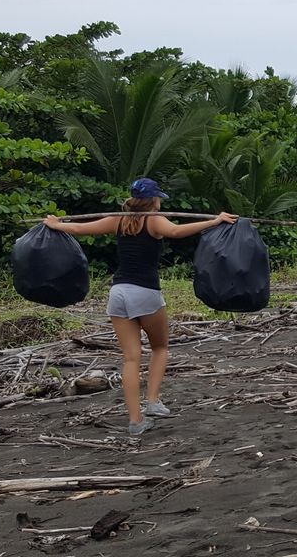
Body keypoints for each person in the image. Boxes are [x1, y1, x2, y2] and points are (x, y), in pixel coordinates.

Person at [43, 179, 236, 436]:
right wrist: (215, 221)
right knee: (160, 347)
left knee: (131, 358)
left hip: (118, 293)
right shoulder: (153, 220)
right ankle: (153, 401)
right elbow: (177, 232)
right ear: (153, 200)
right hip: (144, 292)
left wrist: (56, 224)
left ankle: (136, 420)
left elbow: (79, 229)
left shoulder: (117, 220)